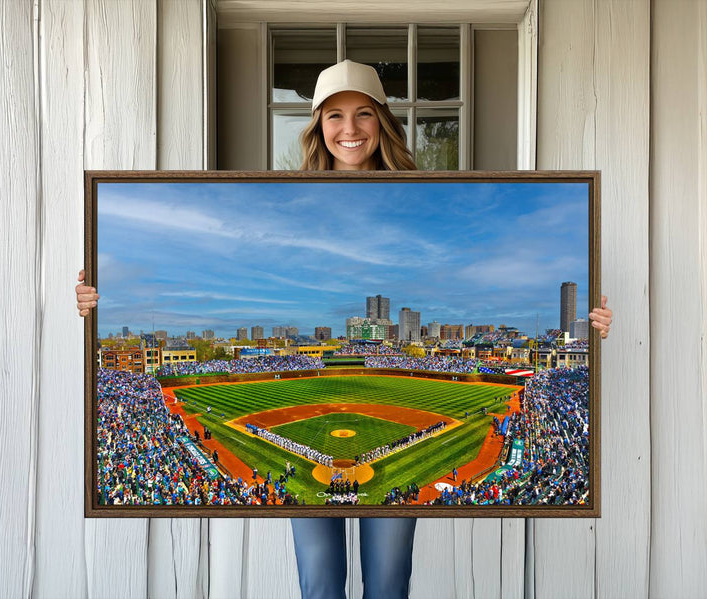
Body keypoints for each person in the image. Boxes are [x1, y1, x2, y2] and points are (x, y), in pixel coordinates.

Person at [75, 59, 614, 599]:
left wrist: (592, 327)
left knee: (387, 584)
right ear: (317, 126)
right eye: (334, 115)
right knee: (320, 585)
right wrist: (95, 301)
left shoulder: (421, 193)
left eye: (363, 114)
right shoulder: (288, 197)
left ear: (382, 121)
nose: (349, 129)